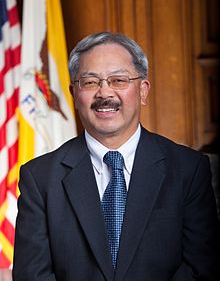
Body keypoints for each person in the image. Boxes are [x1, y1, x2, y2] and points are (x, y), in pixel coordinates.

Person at [13, 32, 219, 280]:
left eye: (118, 80)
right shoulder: (40, 178)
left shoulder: (189, 169)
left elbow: (201, 268)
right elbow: (31, 275)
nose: (104, 93)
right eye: (90, 82)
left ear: (143, 91)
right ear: (73, 93)